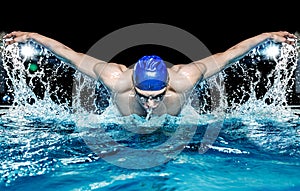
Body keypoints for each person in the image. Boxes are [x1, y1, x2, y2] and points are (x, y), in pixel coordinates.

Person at [3, 31, 297, 118]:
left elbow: (229, 54)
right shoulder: (115, 78)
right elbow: (70, 54)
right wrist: (35, 38)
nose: (151, 104)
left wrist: (264, 37)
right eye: (145, 97)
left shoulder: (185, 77)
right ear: (133, 84)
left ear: (169, 83)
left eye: (157, 97)